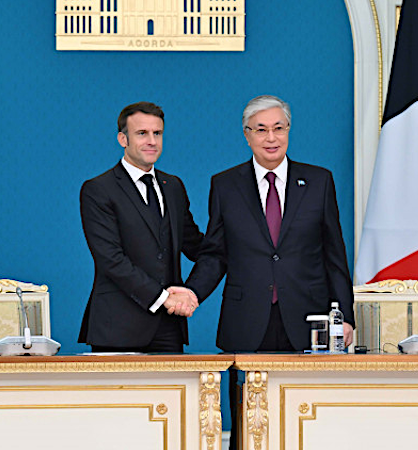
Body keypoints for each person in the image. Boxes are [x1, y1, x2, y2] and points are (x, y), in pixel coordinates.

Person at [176, 95, 355, 449]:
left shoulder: (318, 182)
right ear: (247, 135)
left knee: (306, 423)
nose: (271, 137)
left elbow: (335, 255)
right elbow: (215, 253)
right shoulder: (225, 185)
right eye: (261, 130)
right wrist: (192, 291)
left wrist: (345, 317)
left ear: (288, 131)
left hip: (309, 320)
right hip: (247, 320)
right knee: (246, 427)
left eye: (278, 128)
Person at [78, 101, 202, 353]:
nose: (152, 141)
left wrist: (242, 244)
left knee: (173, 393)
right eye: (142, 133)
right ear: (122, 139)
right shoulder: (98, 189)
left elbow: (195, 244)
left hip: (169, 327)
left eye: (157, 133)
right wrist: (165, 298)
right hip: (117, 327)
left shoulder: (173, 186)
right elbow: (111, 259)